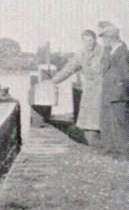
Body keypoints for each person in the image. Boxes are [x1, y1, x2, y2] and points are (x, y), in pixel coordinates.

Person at [50, 30, 103, 145]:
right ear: (82, 41)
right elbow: (68, 69)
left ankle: (102, 141)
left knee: (101, 117)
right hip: (89, 89)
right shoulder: (81, 54)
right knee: (89, 119)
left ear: (95, 39)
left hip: (102, 89)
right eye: (85, 41)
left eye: (90, 40)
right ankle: (91, 141)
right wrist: (53, 81)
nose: (88, 43)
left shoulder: (104, 52)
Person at [97, 21, 129, 160]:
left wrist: (120, 90)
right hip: (109, 92)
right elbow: (104, 67)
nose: (103, 41)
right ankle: (110, 150)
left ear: (111, 37)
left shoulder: (122, 51)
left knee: (119, 123)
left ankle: (123, 152)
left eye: (104, 38)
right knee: (108, 122)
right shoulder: (111, 50)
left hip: (117, 93)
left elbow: (126, 74)